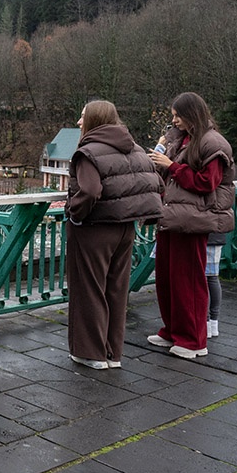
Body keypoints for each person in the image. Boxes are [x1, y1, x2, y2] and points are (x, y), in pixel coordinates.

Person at [65, 100, 162, 370]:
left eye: (82, 117)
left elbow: (90, 191)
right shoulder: (135, 148)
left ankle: (91, 353)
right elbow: (154, 182)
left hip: (94, 230)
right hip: (126, 229)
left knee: (89, 289)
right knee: (116, 290)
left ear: (94, 120)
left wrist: (74, 212)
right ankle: (113, 353)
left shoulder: (88, 152)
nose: (79, 122)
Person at [147, 92, 235, 359]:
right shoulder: (182, 139)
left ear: (191, 115)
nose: (174, 120)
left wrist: (172, 166)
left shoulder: (212, 143)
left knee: (189, 280)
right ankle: (173, 330)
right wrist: (162, 154)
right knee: (167, 278)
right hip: (173, 216)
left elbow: (206, 183)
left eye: (177, 116)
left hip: (193, 219)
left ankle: (194, 341)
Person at [206, 231, 228, 338]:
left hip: (203, 235)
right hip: (217, 236)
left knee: (202, 280)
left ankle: (205, 322)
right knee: (213, 278)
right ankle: (213, 323)